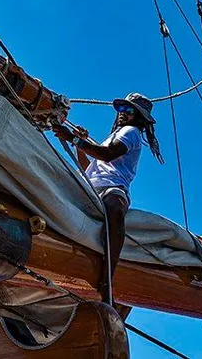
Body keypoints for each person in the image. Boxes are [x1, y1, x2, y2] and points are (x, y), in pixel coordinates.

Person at [53, 93, 163, 304]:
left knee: (114, 208)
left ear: (139, 118)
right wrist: (79, 144)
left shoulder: (132, 133)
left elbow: (106, 155)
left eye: (129, 111)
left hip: (114, 188)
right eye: (121, 110)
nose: (123, 114)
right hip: (91, 188)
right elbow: (89, 168)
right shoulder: (112, 137)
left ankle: (108, 275)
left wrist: (73, 138)